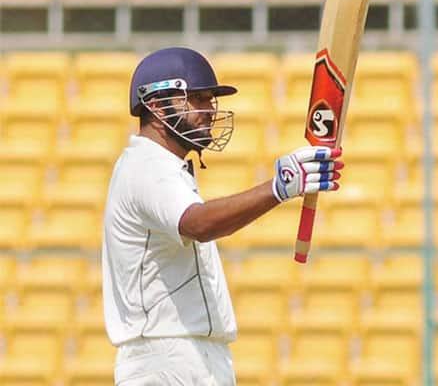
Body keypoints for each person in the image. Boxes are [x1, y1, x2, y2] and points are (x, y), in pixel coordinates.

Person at [101, 47, 343, 385]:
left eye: (209, 100)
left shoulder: (164, 168)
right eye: (196, 99)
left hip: (189, 355)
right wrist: (279, 188)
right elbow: (199, 224)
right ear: (155, 107)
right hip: (165, 358)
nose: (208, 112)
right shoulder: (147, 165)